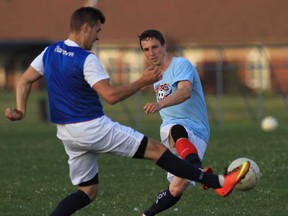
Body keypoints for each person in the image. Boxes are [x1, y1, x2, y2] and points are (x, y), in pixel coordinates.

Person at [5, 7, 250, 216]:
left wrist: (20, 109)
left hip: (67, 134)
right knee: (158, 151)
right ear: (87, 28)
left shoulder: (50, 52)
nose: (98, 38)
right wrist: (141, 81)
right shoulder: (86, 59)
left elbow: (24, 80)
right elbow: (110, 97)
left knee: (87, 191)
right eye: (98, 31)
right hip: (92, 128)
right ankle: (218, 181)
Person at [138, 29, 222, 215]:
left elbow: (185, 92)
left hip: (199, 130)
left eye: (154, 47)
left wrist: (159, 105)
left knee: (176, 188)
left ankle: (146, 213)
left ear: (164, 46)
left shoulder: (180, 64)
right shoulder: (154, 76)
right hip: (172, 128)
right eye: (146, 49)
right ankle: (197, 168)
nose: (151, 53)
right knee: (176, 128)